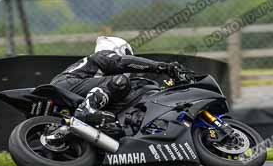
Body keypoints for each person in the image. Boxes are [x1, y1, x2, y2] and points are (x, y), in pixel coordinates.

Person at [51, 36, 184, 126]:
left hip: (67, 89)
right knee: (121, 80)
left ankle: (89, 114)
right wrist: (161, 67)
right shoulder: (103, 55)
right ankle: (88, 109)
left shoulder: (100, 75)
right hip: (68, 84)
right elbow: (122, 62)